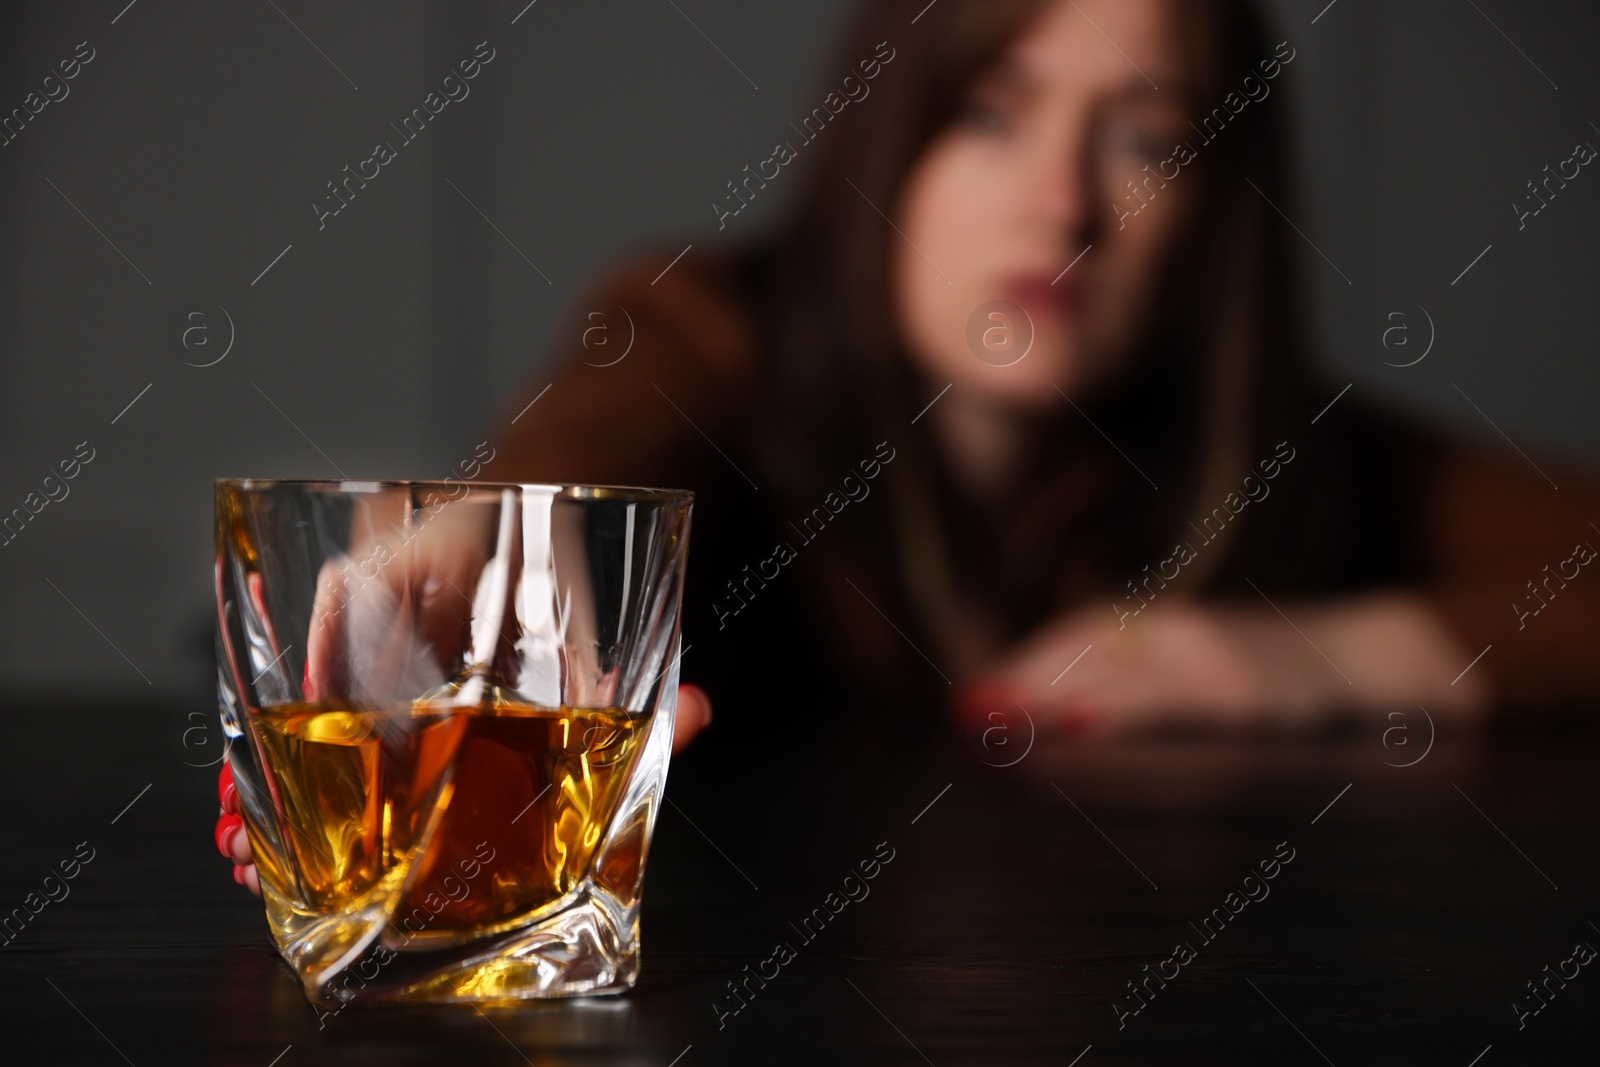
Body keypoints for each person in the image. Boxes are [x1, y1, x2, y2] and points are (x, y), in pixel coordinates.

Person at [219, 0, 1600, 889]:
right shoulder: (709, 327)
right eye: (990, 115)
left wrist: (1303, 656)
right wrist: (516, 533)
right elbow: (610, 418)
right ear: (890, 133)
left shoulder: (1275, 448)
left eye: (1147, 140)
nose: (1061, 202)